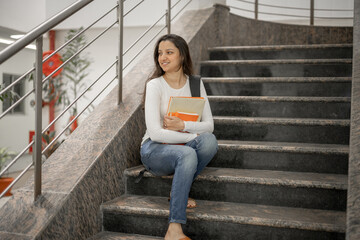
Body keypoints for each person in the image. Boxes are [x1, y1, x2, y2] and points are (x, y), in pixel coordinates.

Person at [140, 34, 218, 240]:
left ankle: (177, 191)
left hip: (183, 144)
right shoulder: (154, 85)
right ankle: (174, 228)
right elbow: (155, 133)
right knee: (187, 154)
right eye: (159, 53)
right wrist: (191, 137)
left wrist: (183, 125)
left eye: (169, 52)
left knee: (210, 142)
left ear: (182, 56)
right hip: (155, 149)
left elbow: (209, 126)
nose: (162, 58)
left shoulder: (194, 84)